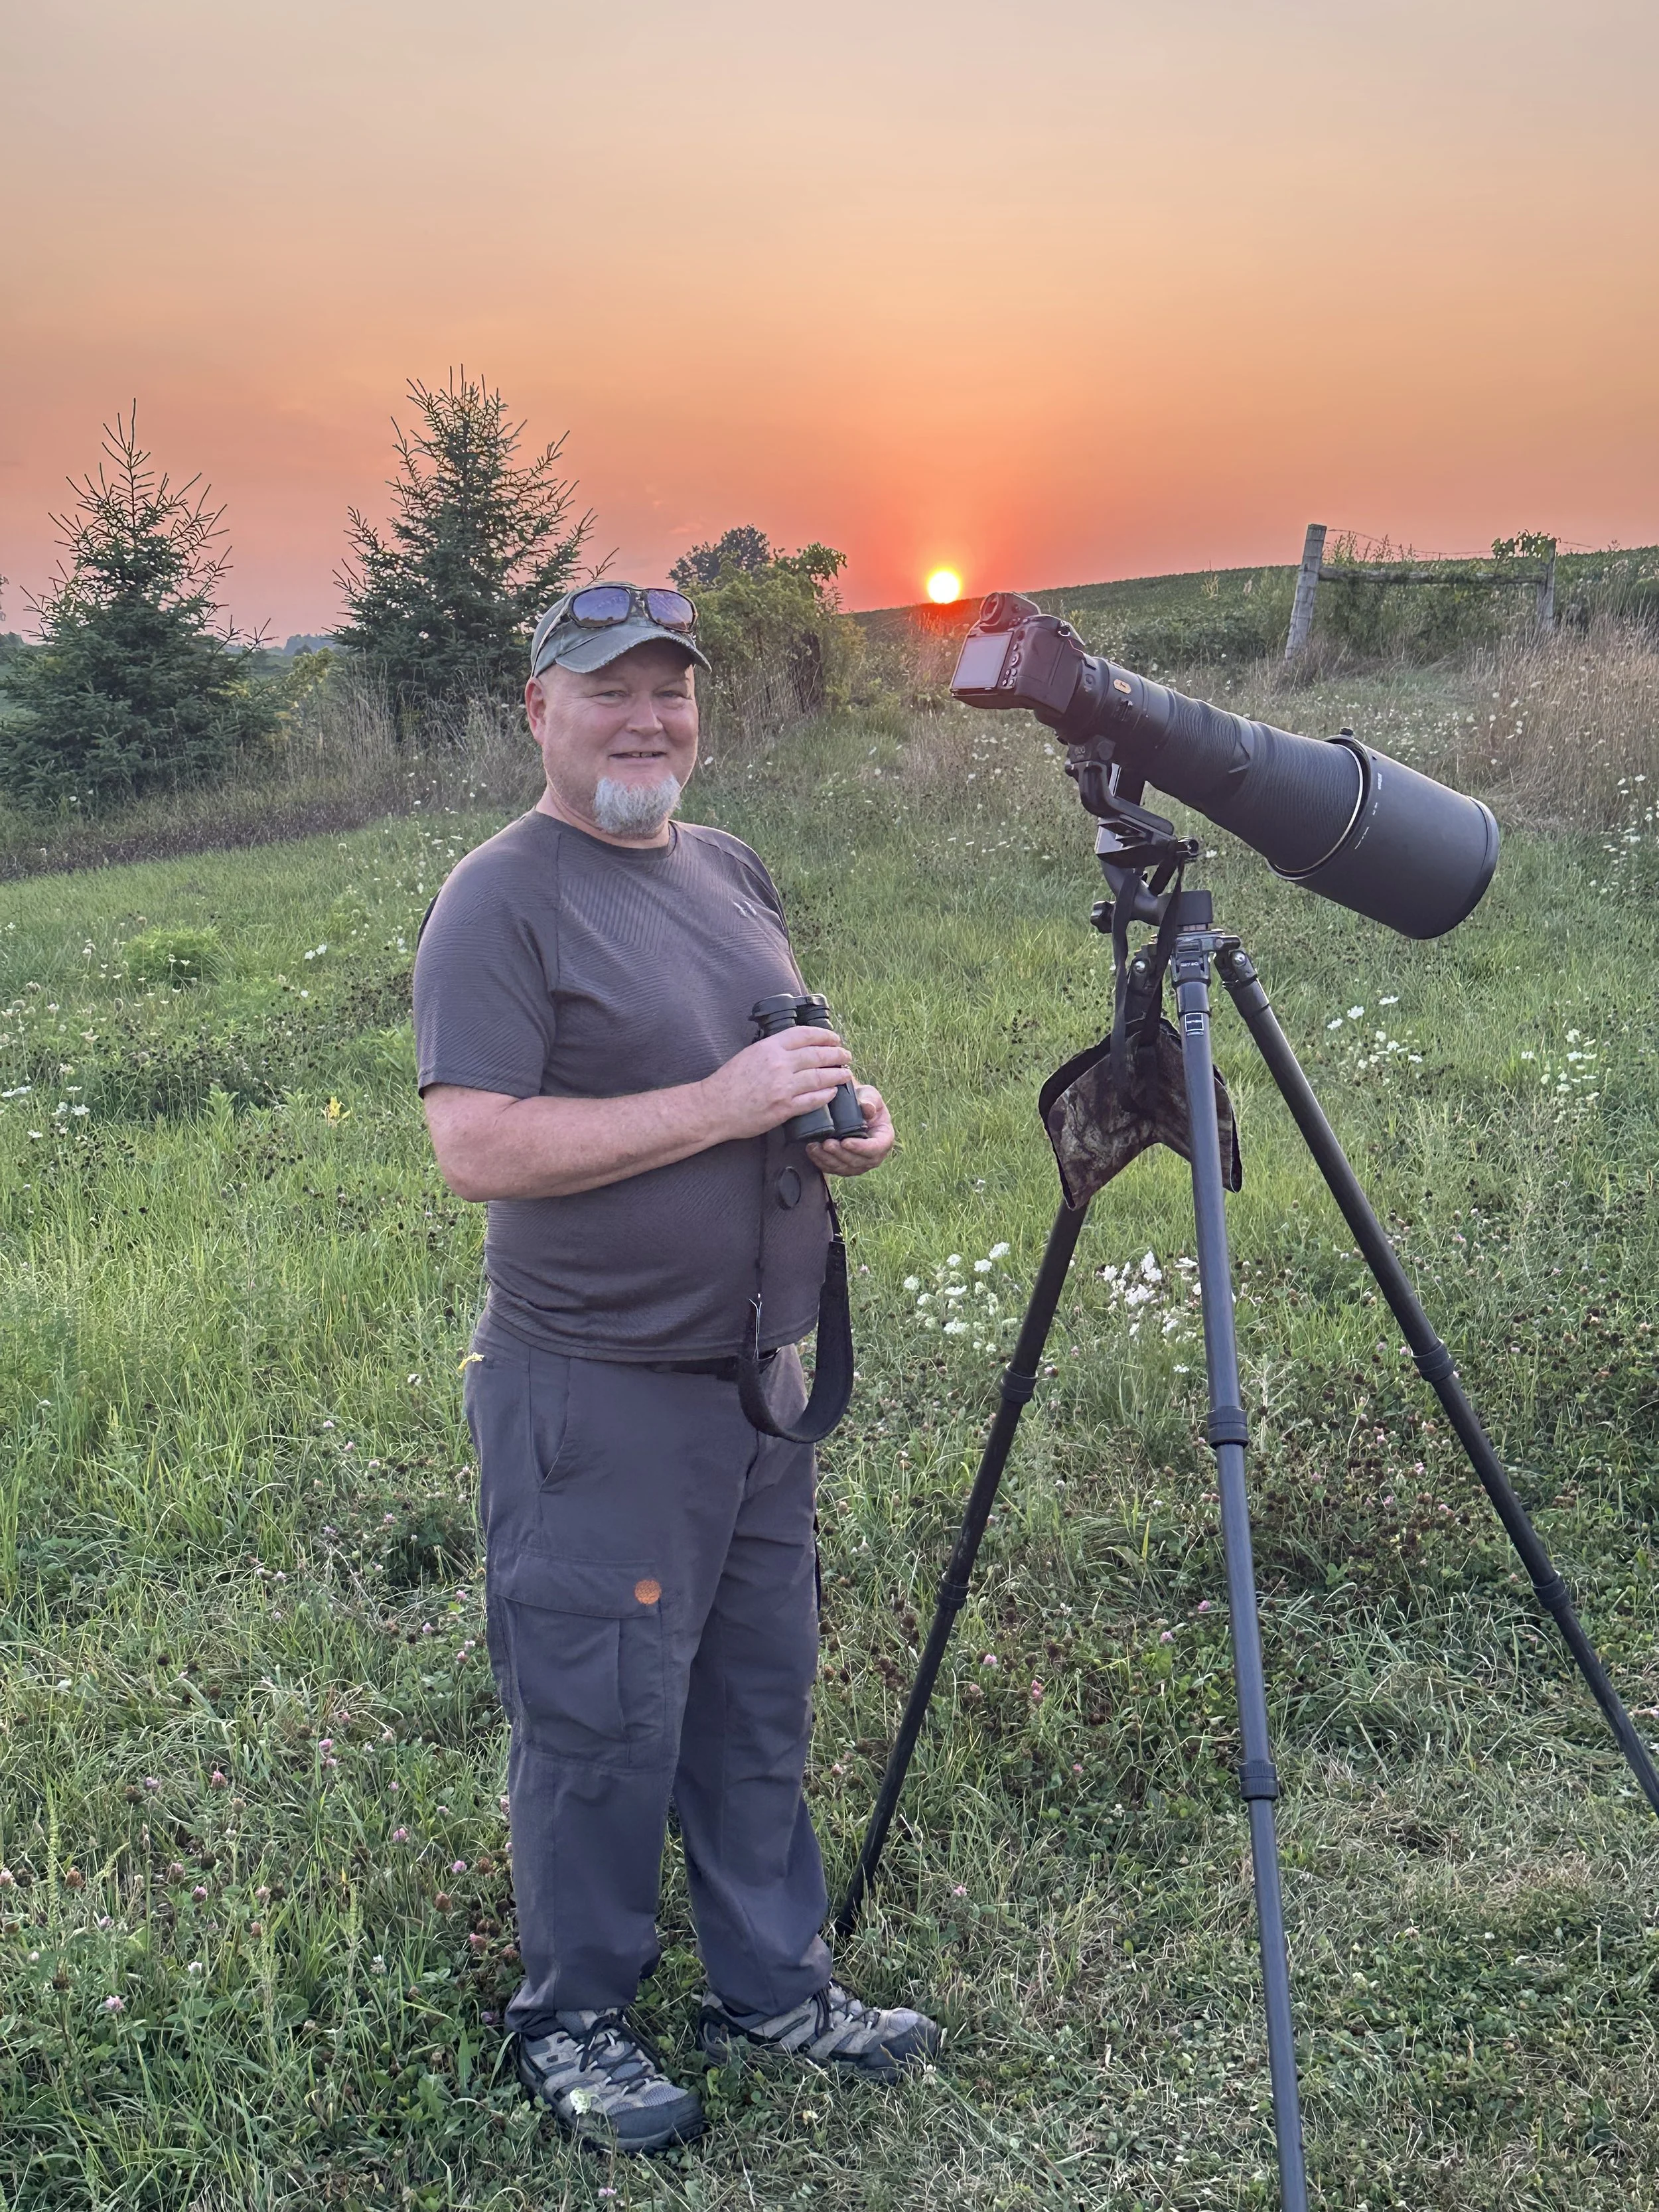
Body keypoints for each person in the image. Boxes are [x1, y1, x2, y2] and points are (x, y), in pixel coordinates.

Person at [413, 582, 941, 2152]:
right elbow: (476, 1144)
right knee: (600, 1718)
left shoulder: (721, 865)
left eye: (671, 692)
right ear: (537, 710)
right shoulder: (497, 900)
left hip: (752, 1387)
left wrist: (822, 1127)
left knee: (753, 1697)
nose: (647, 719)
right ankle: (571, 2015)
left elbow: (754, 1073)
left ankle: (768, 1982)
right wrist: (722, 1103)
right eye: (607, 692)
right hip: (597, 1395)